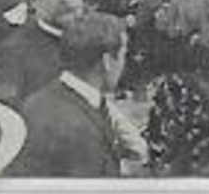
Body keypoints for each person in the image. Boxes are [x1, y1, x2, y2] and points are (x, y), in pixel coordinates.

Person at [13, 11, 128, 177]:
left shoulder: (36, 101)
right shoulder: (82, 133)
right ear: (107, 62)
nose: (123, 64)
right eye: (124, 55)